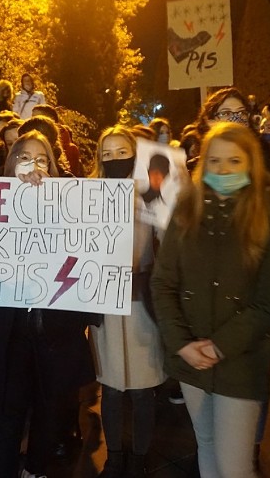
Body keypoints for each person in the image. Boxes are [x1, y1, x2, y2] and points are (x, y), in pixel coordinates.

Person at [152, 123, 270, 478]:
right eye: (215, 161)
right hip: (190, 359)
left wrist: (219, 347)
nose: (224, 169)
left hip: (240, 362)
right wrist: (181, 344)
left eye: (234, 160)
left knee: (234, 467)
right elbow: (163, 282)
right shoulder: (187, 208)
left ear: (251, 163)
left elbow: (269, 300)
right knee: (208, 447)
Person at [0, 131, 95, 478]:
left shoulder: (72, 206)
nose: (34, 166)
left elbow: (89, 251)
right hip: (9, 333)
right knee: (9, 414)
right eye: (24, 158)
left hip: (55, 330)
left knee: (50, 408)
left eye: (42, 159)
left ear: (53, 168)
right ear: (11, 165)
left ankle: (37, 468)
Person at [91, 126, 167, 478]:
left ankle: (138, 458)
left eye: (122, 152)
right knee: (110, 387)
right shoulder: (87, 195)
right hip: (104, 304)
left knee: (141, 392)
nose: (114, 160)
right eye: (106, 154)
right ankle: (115, 456)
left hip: (141, 306)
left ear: (135, 155)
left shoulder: (154, 195)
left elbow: (169, 242)